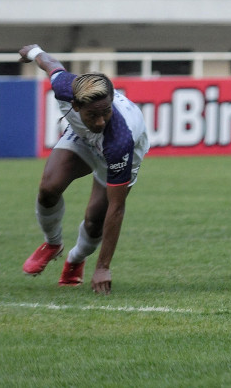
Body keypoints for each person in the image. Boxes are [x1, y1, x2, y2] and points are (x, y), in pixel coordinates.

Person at [18, 44, 150, 294]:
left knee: (94, 220)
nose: (100, 121)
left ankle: (76, 259)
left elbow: (117, 207)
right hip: (82, 138)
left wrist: (103, 266)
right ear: (76, 107)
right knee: (48, 188)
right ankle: (53, 244)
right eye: (93, 115)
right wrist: (33, 51)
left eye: (106, 112)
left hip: (120, 153)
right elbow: (49, 62)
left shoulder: (120, 139)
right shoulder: (64, 87)